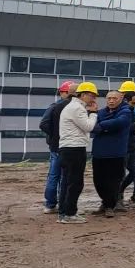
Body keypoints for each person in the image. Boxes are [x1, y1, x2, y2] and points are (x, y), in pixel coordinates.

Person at [57, 82, 99, 224]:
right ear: (84, 94)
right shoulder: (77, 108)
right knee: (75, 182)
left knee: (68, 181)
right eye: (92, 96)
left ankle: (64, 212)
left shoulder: (72, 106)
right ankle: (70, 213)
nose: (93, 99)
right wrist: (93, 113)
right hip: (74, 148)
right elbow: (88, 127)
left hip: (67, 148)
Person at [90, 91, 133, 217]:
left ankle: (109, 206)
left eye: (114, 98)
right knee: (98, 180)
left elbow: (119, 122)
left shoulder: (126, 111)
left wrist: (101, 126)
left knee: (114, 181)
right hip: (99, 153)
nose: (111, 101)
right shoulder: (101, 112)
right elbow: (91, 125)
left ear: (121, 99)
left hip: (116, 153)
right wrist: (101, 125)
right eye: (109, 98)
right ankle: (105, 202)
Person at [38, 80, 75, 215]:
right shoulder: (73, 107)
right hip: (67, 146)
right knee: (64, 176)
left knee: (54, 175)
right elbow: (44, 124)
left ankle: (50, 204)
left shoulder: (54, 106)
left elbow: (44, 124)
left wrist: (53, 136)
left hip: (56, 146)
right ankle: (60, 203)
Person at [117, 82, 135, 207]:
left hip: (133, 145)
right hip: (122, 146)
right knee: (120, 174)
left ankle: (120, 191)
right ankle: (117, 198)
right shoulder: (119, 108)